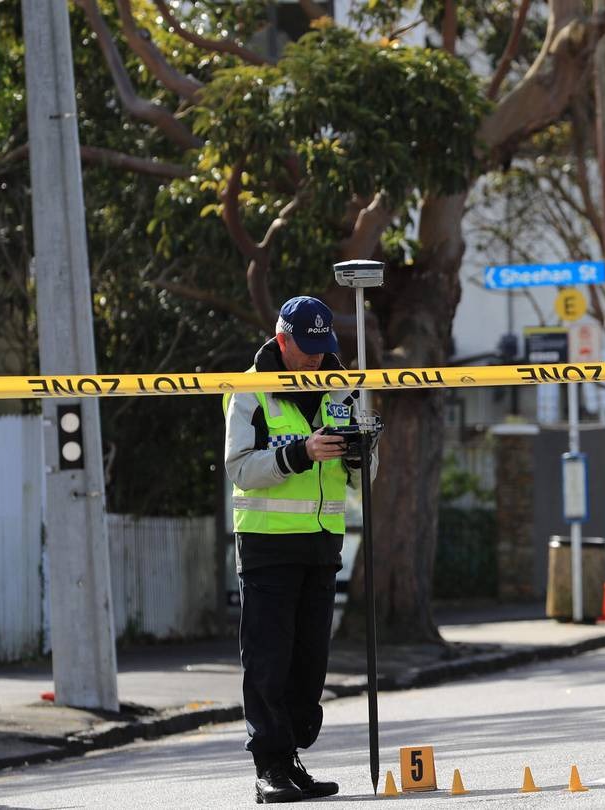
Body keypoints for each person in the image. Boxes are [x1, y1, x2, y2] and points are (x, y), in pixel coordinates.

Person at [224, 295, 370, 803]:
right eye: (305, 348)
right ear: (282, 339)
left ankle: (292, 755)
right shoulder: (250, 390)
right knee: (268, 660)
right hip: (266, 542)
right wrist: (300, 453)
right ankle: (269, 768)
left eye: (321, 348)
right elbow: (239, 468)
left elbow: (361, 479)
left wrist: (361, 450)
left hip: (323, 542)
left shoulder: (343, 388)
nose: (313, 358)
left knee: (309, 665)